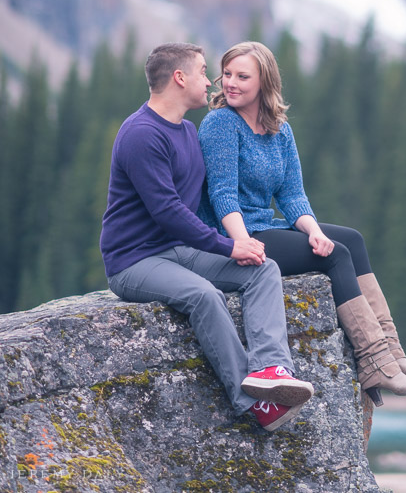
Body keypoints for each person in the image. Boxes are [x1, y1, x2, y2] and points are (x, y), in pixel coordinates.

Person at [198, 41, 406, 407]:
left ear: (264, 81)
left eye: (242, 76)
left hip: (266, 225)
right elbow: (222, 194)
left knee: (349, 240)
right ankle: (373, 362)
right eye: (227, 74)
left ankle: (391, 352)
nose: (230, 83)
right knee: (334, 257)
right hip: (233, 233)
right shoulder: (220, 124)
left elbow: (292, 196)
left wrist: (314, 230)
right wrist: (241, 244)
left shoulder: (278, 129)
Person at [100, 42, 313, 432]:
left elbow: (206, 197)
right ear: (180, 78)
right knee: (204, 296)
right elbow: (167, 212)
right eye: (203, 71)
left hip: (177, 250)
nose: (211, 80)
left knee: (263, 270)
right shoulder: (141, 134)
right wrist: (229, 244)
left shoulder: (184, 130)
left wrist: (244, 243)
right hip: (133, 260)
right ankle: (254, 406)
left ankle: (269, 368)